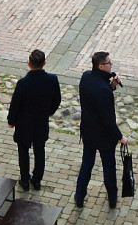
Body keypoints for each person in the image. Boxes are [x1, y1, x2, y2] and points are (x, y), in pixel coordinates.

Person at [74, 51, 128, 210]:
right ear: (101, 66)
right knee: (109, 168)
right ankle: (112, 198)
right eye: (109, 63)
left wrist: (111, 86)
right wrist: (120, 137)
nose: (111, 65)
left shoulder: (86, 77)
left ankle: (79, 196)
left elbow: (94, 100)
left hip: (88, 132)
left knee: (86, 166)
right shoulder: (103, 90)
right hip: (104, 137)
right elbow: (108, 120)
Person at [7, 49, 62, 191]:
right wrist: (50, 112)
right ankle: (37, 180)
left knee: (23, 151)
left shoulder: (23, 83)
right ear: (44, 63)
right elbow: (57, 99)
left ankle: (24, 180)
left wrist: (11, 120)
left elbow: (15, 104)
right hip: (41, 122)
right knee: (40, 151)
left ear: (29, 63)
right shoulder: (52, 79)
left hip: (24, 124)